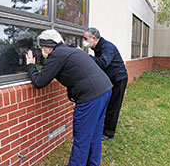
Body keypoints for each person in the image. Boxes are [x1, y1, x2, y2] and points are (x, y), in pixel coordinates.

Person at [25, 29, 113, 166]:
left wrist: (31, 65)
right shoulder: (69, 51)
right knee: (95, 134)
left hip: (90, 97)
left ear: (49, 46)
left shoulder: (56, 56)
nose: (42, 50)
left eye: (42, 47)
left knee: (82, 139)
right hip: (105, 89)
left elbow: (39, 82)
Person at [83, 27, 128, 141]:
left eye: (85, 38)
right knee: (107, 104)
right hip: (110, 78)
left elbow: (103, 63)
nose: (84, 41)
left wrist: (86, 57)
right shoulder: (97, 47)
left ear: (94, 38)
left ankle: (108, 133)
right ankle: (105, 127)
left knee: (114, 105)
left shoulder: (107, 47)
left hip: (118, 79)